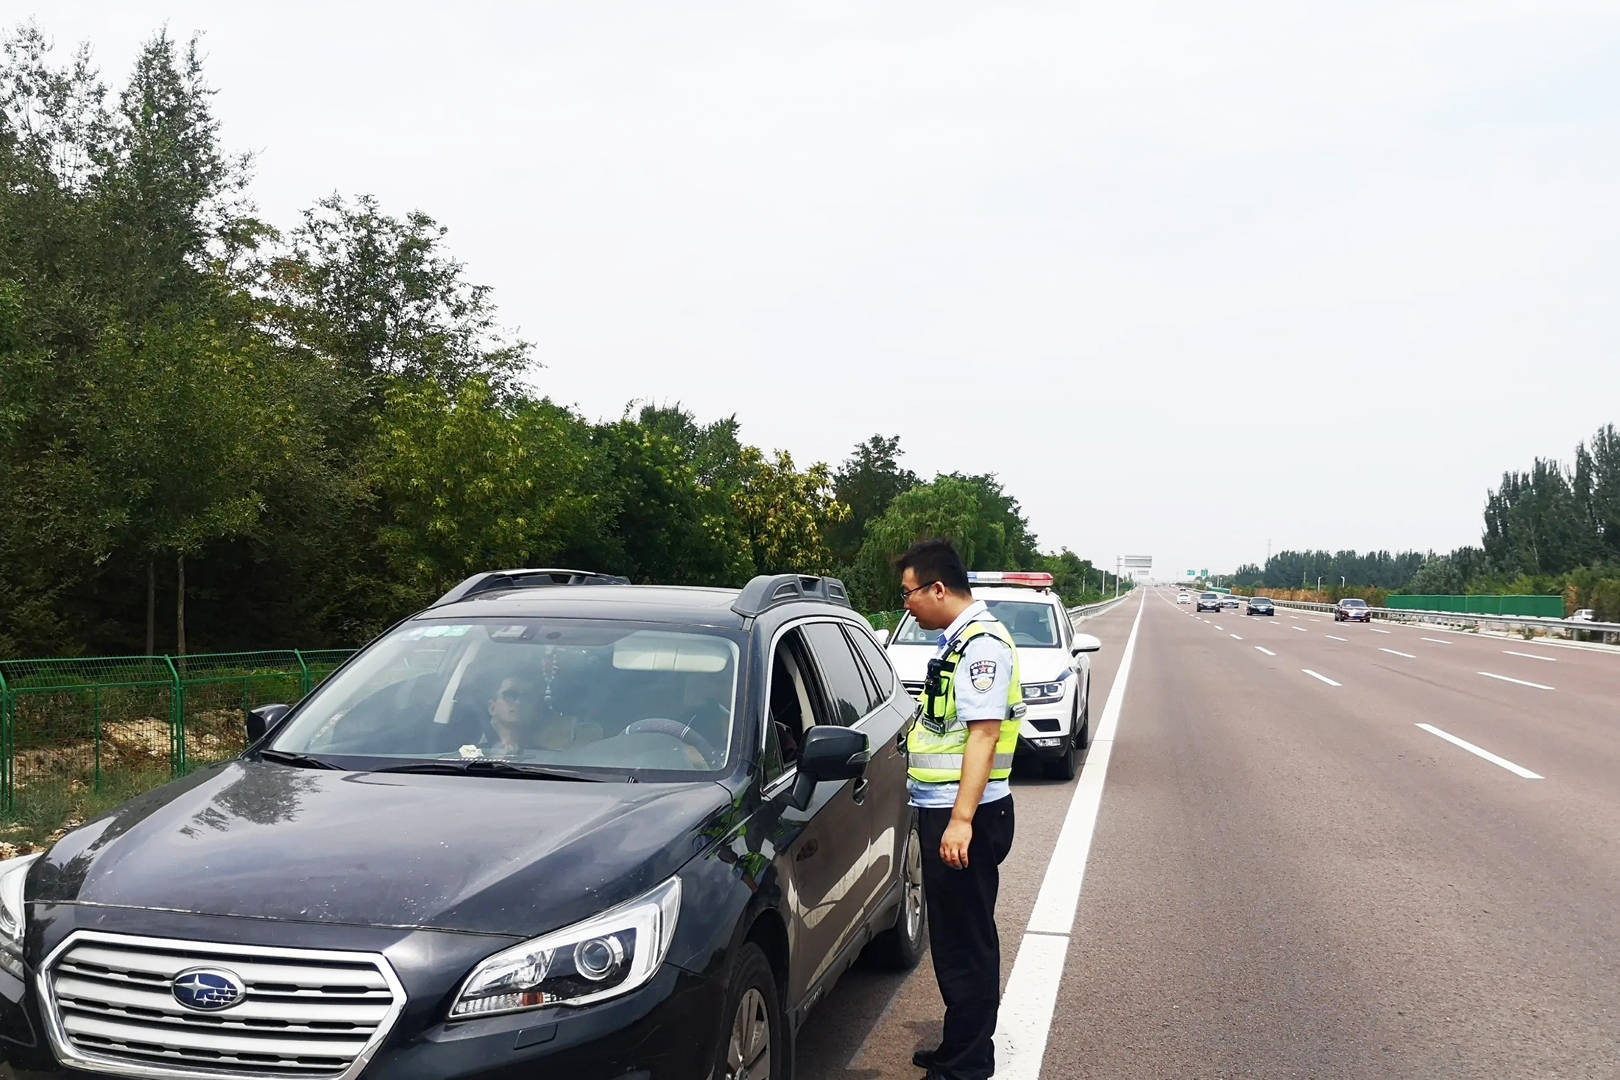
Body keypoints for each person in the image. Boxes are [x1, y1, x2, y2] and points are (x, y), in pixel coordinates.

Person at [896, 539, 1022, 1080]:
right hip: (946, 810)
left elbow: (984, 735)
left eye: (909, 593)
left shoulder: (982, 644)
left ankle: (969, 1065)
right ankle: (957, 1047)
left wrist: (961, 821)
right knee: (950, 939)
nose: (906, 604)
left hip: (966, 815)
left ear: (938, 588)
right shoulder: (959, 641)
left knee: (966, 942)